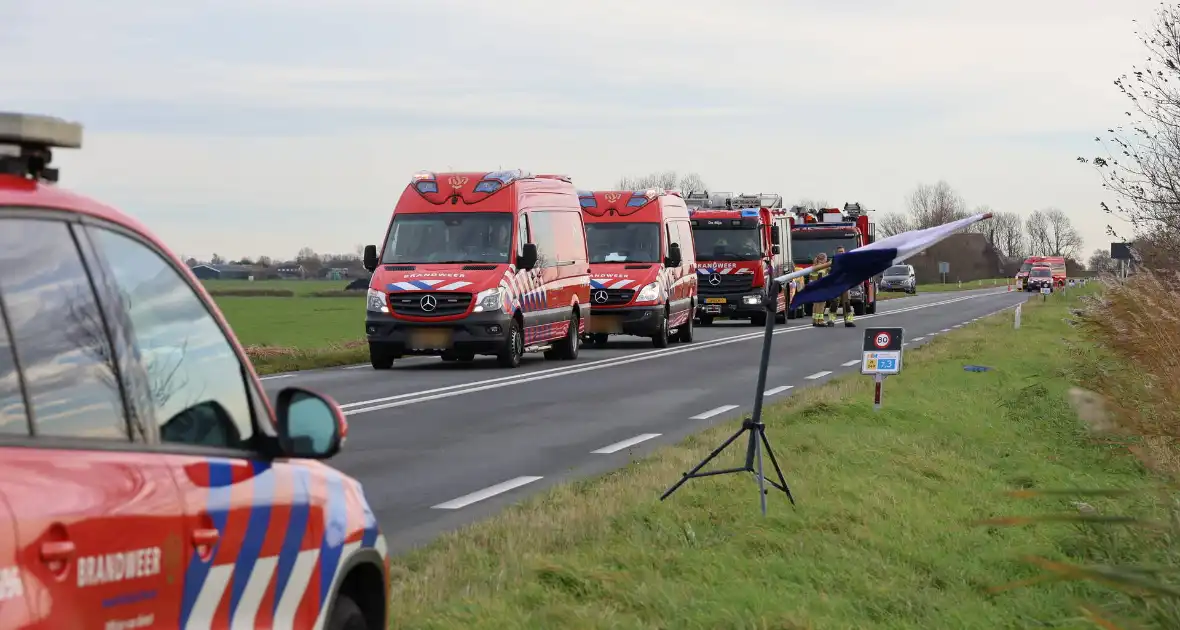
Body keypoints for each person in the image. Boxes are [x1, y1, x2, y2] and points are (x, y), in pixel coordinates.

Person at [832, 246, 855, 328]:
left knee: (847, 303)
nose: (841, 253)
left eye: (842, 251)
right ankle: (831, 320)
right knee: (834, 303)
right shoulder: (834, 261)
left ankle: (848, 321)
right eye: (839, 251)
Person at [808, 253, 833, 327]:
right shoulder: (822, 268)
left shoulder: (814, 266)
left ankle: (815, 320)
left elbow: (811, 279)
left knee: (815, 305)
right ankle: (820, 321)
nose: (826, 260)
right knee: (821, 305)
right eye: (826, 258)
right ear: (823, 259)